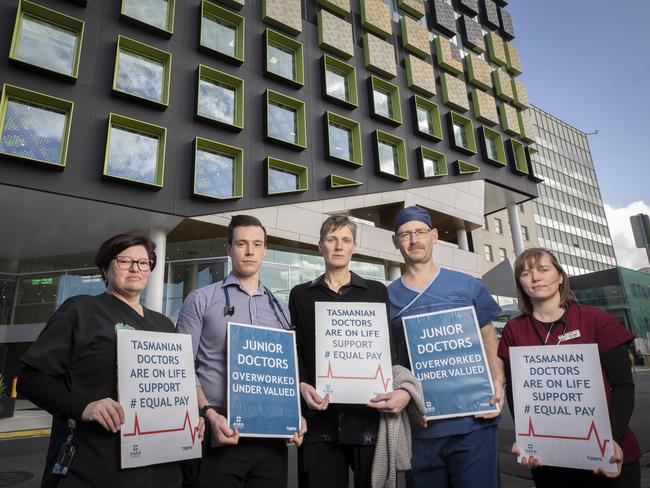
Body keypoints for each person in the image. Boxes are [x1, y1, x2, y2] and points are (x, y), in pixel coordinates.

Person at [19, 231, 197, 488]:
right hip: (98, 464)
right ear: (105, 267)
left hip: (162, 468)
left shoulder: (164, 324)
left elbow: (178, 387)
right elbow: (30, 379)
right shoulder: (81, 310)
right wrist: (84, 407)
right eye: (124, 261)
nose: (135, 268)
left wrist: (195, 417)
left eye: (143, 262)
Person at [176, 214, 306, 488]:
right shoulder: (201, 299)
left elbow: (285, 371)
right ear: (229, 249)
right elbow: (181, 367)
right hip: (217, 431)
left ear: (265, 250)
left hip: (270, 440)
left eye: (257, 244)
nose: (250, 251)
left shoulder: (280, 309)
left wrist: (294, 415)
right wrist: (209, 415)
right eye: (242, 244)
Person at [498, 247, 641, 487]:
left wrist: (612, 439)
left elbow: (623, 386)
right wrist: (529, 439)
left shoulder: (596, 319)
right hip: (549, 460)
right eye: (525, 273)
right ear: (520, 283)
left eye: (543, 269)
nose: (536, 277)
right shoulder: (514, 330)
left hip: (609, 453)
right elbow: (517, 393)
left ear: (560, 276)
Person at [289, 215, 411, 488]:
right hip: (318, 421)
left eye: (345, 240)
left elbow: (388, 351)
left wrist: (399, 389)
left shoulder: (376, 292)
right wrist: (300, 385)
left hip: (367, 418)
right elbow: (295, 351)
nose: (338, 246)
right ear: (320, 245)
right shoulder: (300, 295)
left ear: (354, 247)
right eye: (331, 240)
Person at [388, 205, 504, 488]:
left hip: (473, 423)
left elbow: (489, 338)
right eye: (405, 234)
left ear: (435, 236)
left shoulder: (465, 286)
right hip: (421, 426)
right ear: (396, 242)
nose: (414, 240)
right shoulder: (387, 297)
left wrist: (499, 382)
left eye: (420, 232)